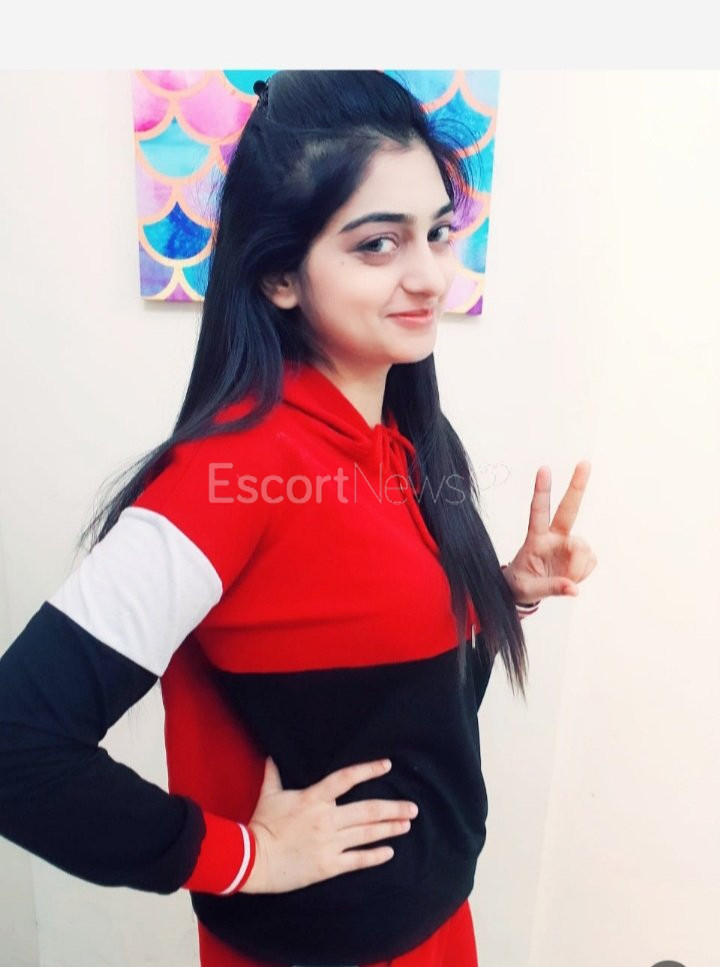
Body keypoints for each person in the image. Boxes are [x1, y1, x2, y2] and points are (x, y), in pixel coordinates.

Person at [0, 70, 596, 966]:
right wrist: (247, 856)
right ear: (280, 274)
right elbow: (17, 745)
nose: (430, 275)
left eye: (438, 233)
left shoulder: (410, 447)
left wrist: (504, 592)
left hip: (437, 925)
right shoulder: (228, 478)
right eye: (378, 244)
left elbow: (388, 695)